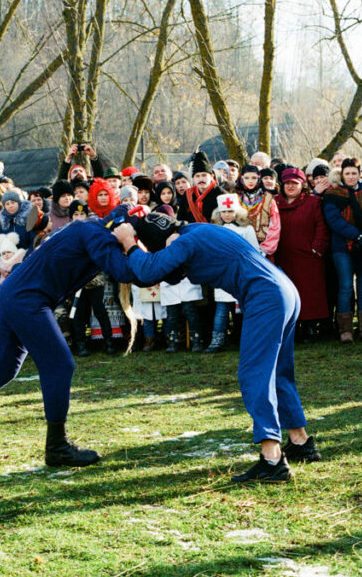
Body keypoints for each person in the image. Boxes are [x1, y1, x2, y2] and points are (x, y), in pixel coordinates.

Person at [0, 209, 145, 468]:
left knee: (2, 366)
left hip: (16, 292)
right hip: (28, 298)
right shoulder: (98, 235)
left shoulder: (88, 226)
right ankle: (57, 446)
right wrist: (130, 243)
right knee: (59, 365)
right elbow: (126, 272)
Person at [118, 212, 319, 483]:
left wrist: (129, 243)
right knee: (278, 372)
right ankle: (300, 442)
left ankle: (272, 459)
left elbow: (149, 270)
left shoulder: (183, 242)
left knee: (255, 374)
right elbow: (172, 273)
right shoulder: (197, 230)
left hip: (264, 295)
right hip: (283, 289)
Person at [322, 158, 362, 342]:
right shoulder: (332, 193)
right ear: (342, 174)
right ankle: (345, 330)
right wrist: (356, 236)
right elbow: (334, 219)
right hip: (342, 246)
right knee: (346, 286)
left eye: (354, 173)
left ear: (359, 174)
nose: (350, 177)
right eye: (347, 173)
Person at [275, 168, 330, 343]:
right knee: (287, 293)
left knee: (310, 292)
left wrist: (316, 248)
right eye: (287, 183)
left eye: (295, 183)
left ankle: (310, 326)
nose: (291, 186)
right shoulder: (275, 202)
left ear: (302, 185)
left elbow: (321, 226)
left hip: (308, 256)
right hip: (283, 255)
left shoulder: (313, 202)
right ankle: (292, 327)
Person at [206, 194, 259, 352]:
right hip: (222, 274)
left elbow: (254, 250)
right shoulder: (215, 230)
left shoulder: (246, 229)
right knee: (222, 310)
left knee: (243, 308)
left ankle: (245, 339)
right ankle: (217, 340)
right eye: (224, 211)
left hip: (241, 273)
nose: (227, 215)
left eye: (230, 211)